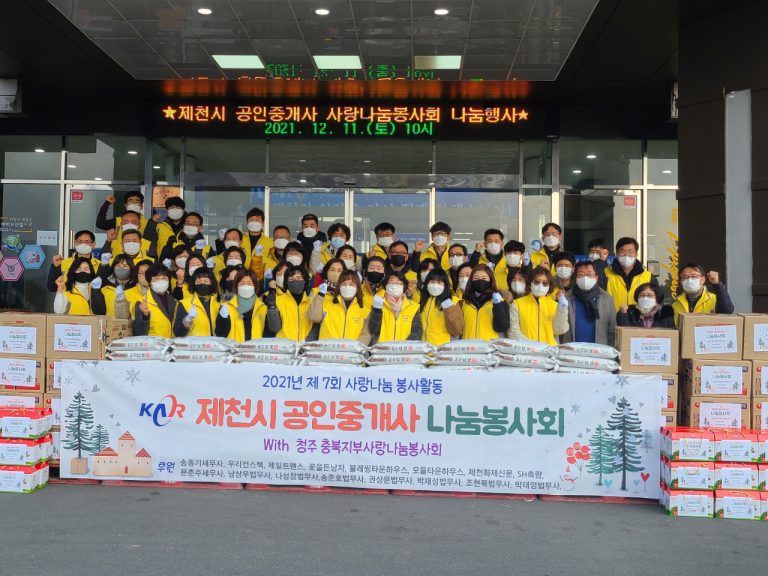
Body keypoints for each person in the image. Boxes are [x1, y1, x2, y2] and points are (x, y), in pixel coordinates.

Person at [508, 267, 569, 345]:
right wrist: (531, 345)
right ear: (530, 282)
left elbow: (559, 330)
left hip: (549, 350)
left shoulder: (554, 305)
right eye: (536, 282)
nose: (540, 285)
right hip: (525, 350)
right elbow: (513, 332)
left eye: (545, 283)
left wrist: (562, 309)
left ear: (549, 285)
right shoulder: (517, 304)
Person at [562, 260, 617, 346]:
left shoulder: (606, 298)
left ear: (596, 277)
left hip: (599, 349)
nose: (585, 278)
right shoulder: (567, 298)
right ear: (576, 278)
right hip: (572, 350)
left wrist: (610, 348)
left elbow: (612, 328)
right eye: (581, 274)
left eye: (589, 274)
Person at [360, 271, 421, 345]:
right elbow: (374, 330)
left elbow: (417, 330)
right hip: (382, 349)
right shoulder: (378, 304)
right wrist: (377, 310)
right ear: (386, 286)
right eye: (391, 283)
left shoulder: (413, 306)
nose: (394, 286)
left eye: (398, 283)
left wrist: (405, 345)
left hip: (404, 349)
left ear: (404, 286)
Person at [309, 269, 370, 340]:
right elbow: (314, 318)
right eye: (344, 284)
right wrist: (320, 295)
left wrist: (356, 345)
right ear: (339, 286)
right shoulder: (327, 304)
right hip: (328, 347)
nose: (347, 287)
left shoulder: (365, 310)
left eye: (351, 284)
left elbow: (366, 335)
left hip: (352, 347)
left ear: (357, 287)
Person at [265, 264, 314, 342]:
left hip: (305, 346)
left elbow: (315, 328)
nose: (295, 281)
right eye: (291, 279)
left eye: (298, 278)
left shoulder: (311, 302)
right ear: (286, 282)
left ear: (305, 281)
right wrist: (272, 307)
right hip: (284, 346)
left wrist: (307, 341)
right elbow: (274, 328)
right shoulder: (278, 300)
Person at [215, 269, 267, 341]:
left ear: (255, 286)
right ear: (236, 286)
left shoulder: (262, 307)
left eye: (249, 283)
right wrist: (222, 318)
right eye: (242, 283)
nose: (246, 286)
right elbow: (220, 334)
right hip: (234, 347)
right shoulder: (227, 307)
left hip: (255, 347)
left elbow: (268, 334)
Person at [604, 237, 654, 311]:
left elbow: (657, 301)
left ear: (636, 254)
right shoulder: (605, 273)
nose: (626, 255)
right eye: (622, 251)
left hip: (639, 318)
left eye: (630, 252)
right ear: (617, 253)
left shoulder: (648, 276)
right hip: (613, 318)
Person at [460, 266, 510, 340]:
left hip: (488, 345)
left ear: (490, 280)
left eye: (484, 278)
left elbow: (502, 327)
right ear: (471, 281)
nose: (480, 281)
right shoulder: (465, 301)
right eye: (476, 278)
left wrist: (498, 305)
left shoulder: (499, 301)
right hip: (468, 345)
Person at [418, 268, 463, 346]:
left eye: (439, 282)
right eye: (432, 281)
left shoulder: (453, 301)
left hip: (443, 349)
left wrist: (448, 308)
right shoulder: (423, 300)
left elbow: (458, 330)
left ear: (445, 285)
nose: (435, 285)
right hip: (424, 349)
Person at [131, 264, 177, 337]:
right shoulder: (142, 303)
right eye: (156, 278)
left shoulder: (174, 301)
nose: (161, 281)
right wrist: (145, 316)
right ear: (150, 282)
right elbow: (138, 332)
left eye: (164, 278)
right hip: (153, 343)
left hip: (171, 343)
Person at [173, 267, 221, 337]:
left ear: (212, 283)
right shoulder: (185, 304)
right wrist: (187, 320)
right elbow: (177, 333)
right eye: (198, 281)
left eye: (206, 281)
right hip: (192, 344)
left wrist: (224, 319)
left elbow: (222, 333)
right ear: (194, 284)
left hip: (213, 343)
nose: (202, 284)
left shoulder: (218, 305)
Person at [241, 207, 274, 281]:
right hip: (242, 277)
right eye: (251, 220)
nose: (254, 222)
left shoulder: (269, 242)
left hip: (261, 278)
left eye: (257, 220)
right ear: (247, 222)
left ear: (262, 222)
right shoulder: (240, 239)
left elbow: (271, 261)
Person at [100, 254, 135, 319]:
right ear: (113, 268)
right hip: (110, 323)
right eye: (118, 266)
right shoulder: (106, 287)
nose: (121, 268)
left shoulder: (136, 287)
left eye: (125, 266)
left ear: (131, 268)